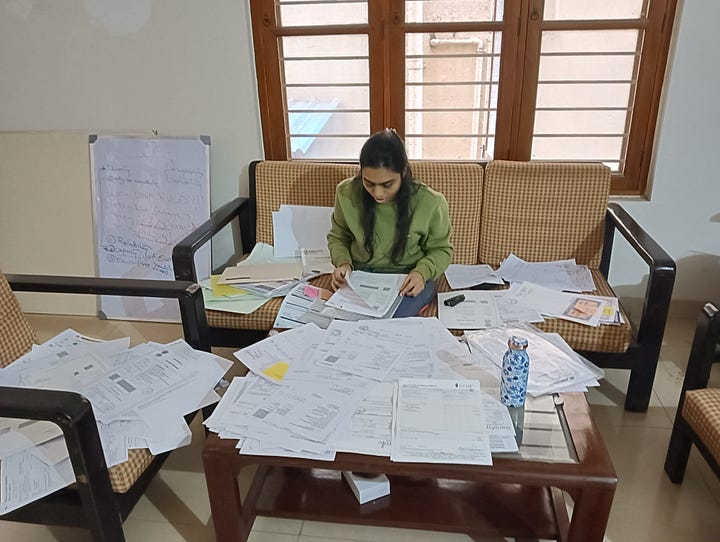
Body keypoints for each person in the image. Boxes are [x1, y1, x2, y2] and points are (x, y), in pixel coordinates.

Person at [327, 128, 453, 318]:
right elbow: (338, 237)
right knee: (338, 319)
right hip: (360, 275)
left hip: (408, 277)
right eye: (368, 183)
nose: (378, 193)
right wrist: (343, 264)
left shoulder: (431, 202)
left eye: (387, 185)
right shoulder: (346, 192)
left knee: (390, 323)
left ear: (404, 172)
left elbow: (442, 249)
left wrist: (422, 273)